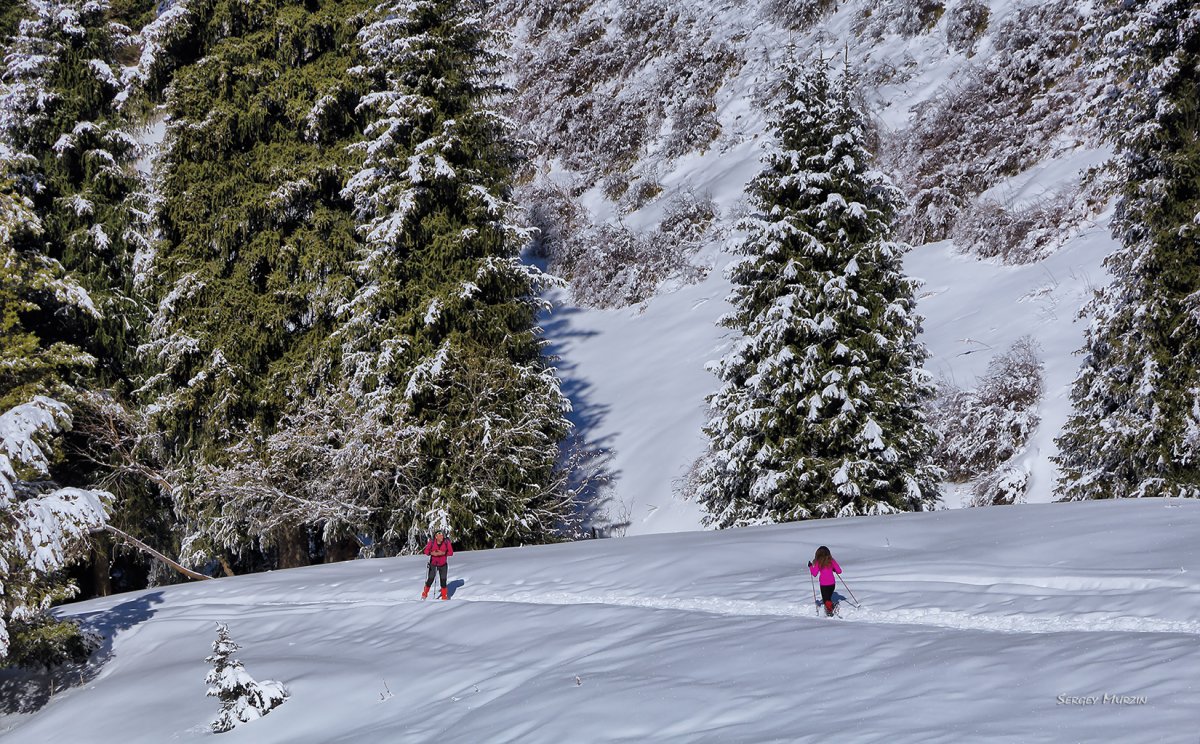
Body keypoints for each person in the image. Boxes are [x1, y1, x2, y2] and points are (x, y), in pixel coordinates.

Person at [808, 545, 841, 616]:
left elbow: (814, 574)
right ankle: (831, 608)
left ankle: (831, 610)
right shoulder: (831, 561)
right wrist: (834, 569)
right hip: (832, 584)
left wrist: (810, 566)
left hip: (824, 584)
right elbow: (839, 571)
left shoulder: (818, 562)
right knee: (827, 599)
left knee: (826, 600)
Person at [421, 530, 454, 600]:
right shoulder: (432, 542)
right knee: (430, 579)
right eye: (440, 535)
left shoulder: (446, 542)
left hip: (443, 564)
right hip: (433, 564)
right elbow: (426, 551)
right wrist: (431, 553)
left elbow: (451, 553)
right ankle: (424, 594)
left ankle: (444, 597)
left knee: (443, 580)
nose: (442, 537)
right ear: (436, 537)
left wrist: (443, 553)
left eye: (442, 535)